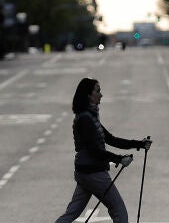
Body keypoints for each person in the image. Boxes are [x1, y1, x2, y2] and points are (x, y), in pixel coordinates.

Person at [56, 78, 152, 223]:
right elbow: (95, 151)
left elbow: (111, 139)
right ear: (88, 95)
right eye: (98, 91)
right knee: (120, 213)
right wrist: (119, 159)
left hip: (85, 172)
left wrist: (139, 144)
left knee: (71, 214)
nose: (101, 95)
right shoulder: (86, 119)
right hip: (94, 173)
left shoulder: (89, 116)